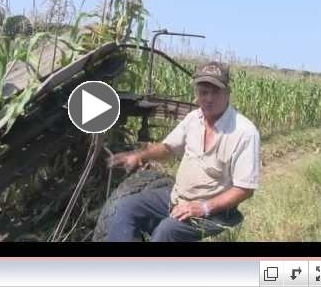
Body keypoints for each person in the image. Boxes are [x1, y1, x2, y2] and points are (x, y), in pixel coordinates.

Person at [106, 61, 260, 242]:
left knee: (167, 230)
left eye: (216, 92)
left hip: (214, 212)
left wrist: (203, 207)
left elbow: (245, 189)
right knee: (127, 208)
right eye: (204, 92)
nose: (209, 98)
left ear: (227, 93)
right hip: (177, 198)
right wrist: (140, 155)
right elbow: (167, 148)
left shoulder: (244, 132)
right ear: (196, 94)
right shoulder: (193, 119)